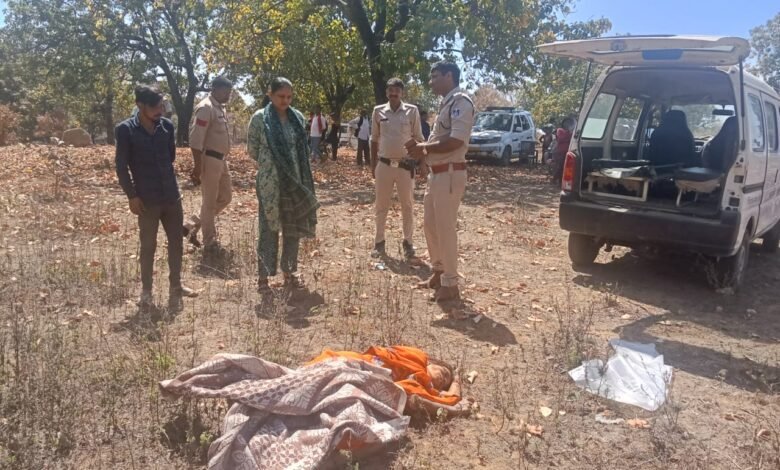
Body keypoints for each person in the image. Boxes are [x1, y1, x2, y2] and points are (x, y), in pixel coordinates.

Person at [115, 85, 197, 311]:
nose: (159, 111)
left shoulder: (167, 127)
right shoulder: (125, 130)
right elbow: (121, 167)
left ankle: (176, 286)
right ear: (139, 105)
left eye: (161, 106)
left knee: (176, 242)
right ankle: (146, 292)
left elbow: (170, 157)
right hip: (146, 200)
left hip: (171, 196)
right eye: (154, 107)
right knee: (148, 246)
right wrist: (132, 196)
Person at [406, 62, 475, 304]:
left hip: (450, 173)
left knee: (445, 229)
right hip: (437, 174)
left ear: (449, 76)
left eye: (435, 76)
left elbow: (456, 141)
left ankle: (451, 283)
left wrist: (424, 148)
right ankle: (439, 271)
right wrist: (424, 155)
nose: (431, 81)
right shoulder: (446, 103)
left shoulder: (461, 102)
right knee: (431, 226)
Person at [247, 77, 319, 293]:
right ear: (270, 94)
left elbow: (302, 149)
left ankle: (289, 272)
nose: (285, 101)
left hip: (295, 180)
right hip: (270, 182)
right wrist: (273, 163)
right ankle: (263, 278)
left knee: (292, 228)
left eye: (289, 97)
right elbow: (253, 150)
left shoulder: (298, 117)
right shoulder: (259, 119)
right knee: (268, 227)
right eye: (281, 96)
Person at [308, 345, 462, 412]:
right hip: (358, 362)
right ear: (432, 363)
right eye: (443, 372)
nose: (442, 379)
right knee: (318, 373)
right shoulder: (417, 356)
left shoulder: (423, 387)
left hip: (365, 382)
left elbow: (447, 399)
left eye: (444, 383)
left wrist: (455, 383)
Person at [371, 78, 424, 259]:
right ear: (387, 92)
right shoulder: (378, 111)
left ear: (402, 93)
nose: (393, 94)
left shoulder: (412, 111)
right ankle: (379, 242)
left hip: (405, 166)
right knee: (381, 205)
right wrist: (373, 165)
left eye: (397, 91)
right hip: (384, 165)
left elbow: (419, 138)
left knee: (407, 205)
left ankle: (408, 242)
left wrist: (420, 162)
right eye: (390, 90)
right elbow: (374, 139)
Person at [186, 76, 234, 253]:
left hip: (222, 160)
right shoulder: (206, 108)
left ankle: (190, 225)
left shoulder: (219, 107)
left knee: (226, 197)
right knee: (209, 202)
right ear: (214, 89)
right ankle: (210, 242)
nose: (228, 95)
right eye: (225, 92)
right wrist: (198, 166)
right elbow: (195, 140)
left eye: (229, 92)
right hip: (209, 160)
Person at [551, 117, 575, 185]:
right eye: (567, 123)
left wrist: (568, 136)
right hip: (559, 152)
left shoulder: (571, 132)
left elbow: (572, 139)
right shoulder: (560, 130)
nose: (568, 125)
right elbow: (561, 138)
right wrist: (568, 134)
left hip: (567, 152)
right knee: (559, 167)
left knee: (564, 167)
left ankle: (560, 181)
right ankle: (554, 179)